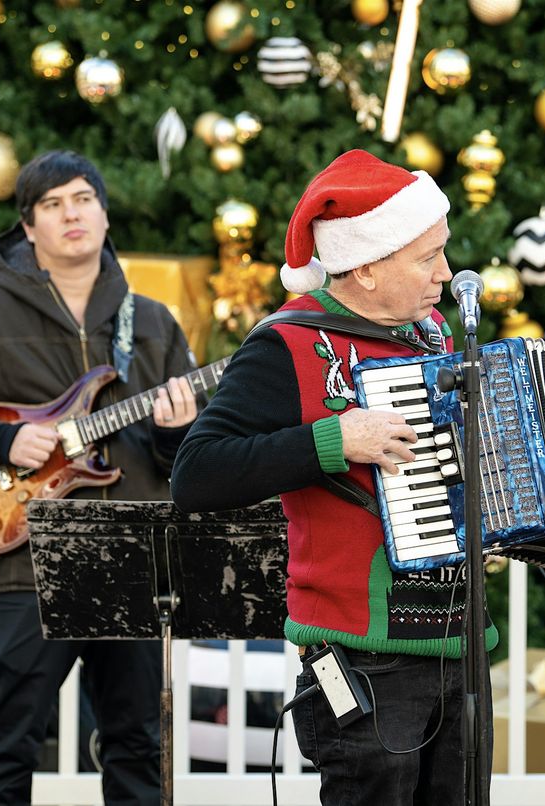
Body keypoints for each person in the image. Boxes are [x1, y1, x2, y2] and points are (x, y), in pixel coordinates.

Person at [171, 149, 497, 805]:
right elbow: (197, 474)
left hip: (459, 643)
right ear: (369, 268)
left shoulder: (436, 335)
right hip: (360, 654)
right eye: (426, 257)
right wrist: (335, 438)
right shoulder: (286, 344)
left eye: (443, 252)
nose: (446, 272)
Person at [0, 150, 198, 805]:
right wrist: (0, 438)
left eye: (82, 198)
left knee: (138, 751)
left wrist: (175, 433)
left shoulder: (155, 324)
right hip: (25, 560)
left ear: (105, 215)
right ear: (28, 228)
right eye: (51, 205)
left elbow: (186, 461)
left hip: (127, 560)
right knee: (4, 747)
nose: (70, 214)